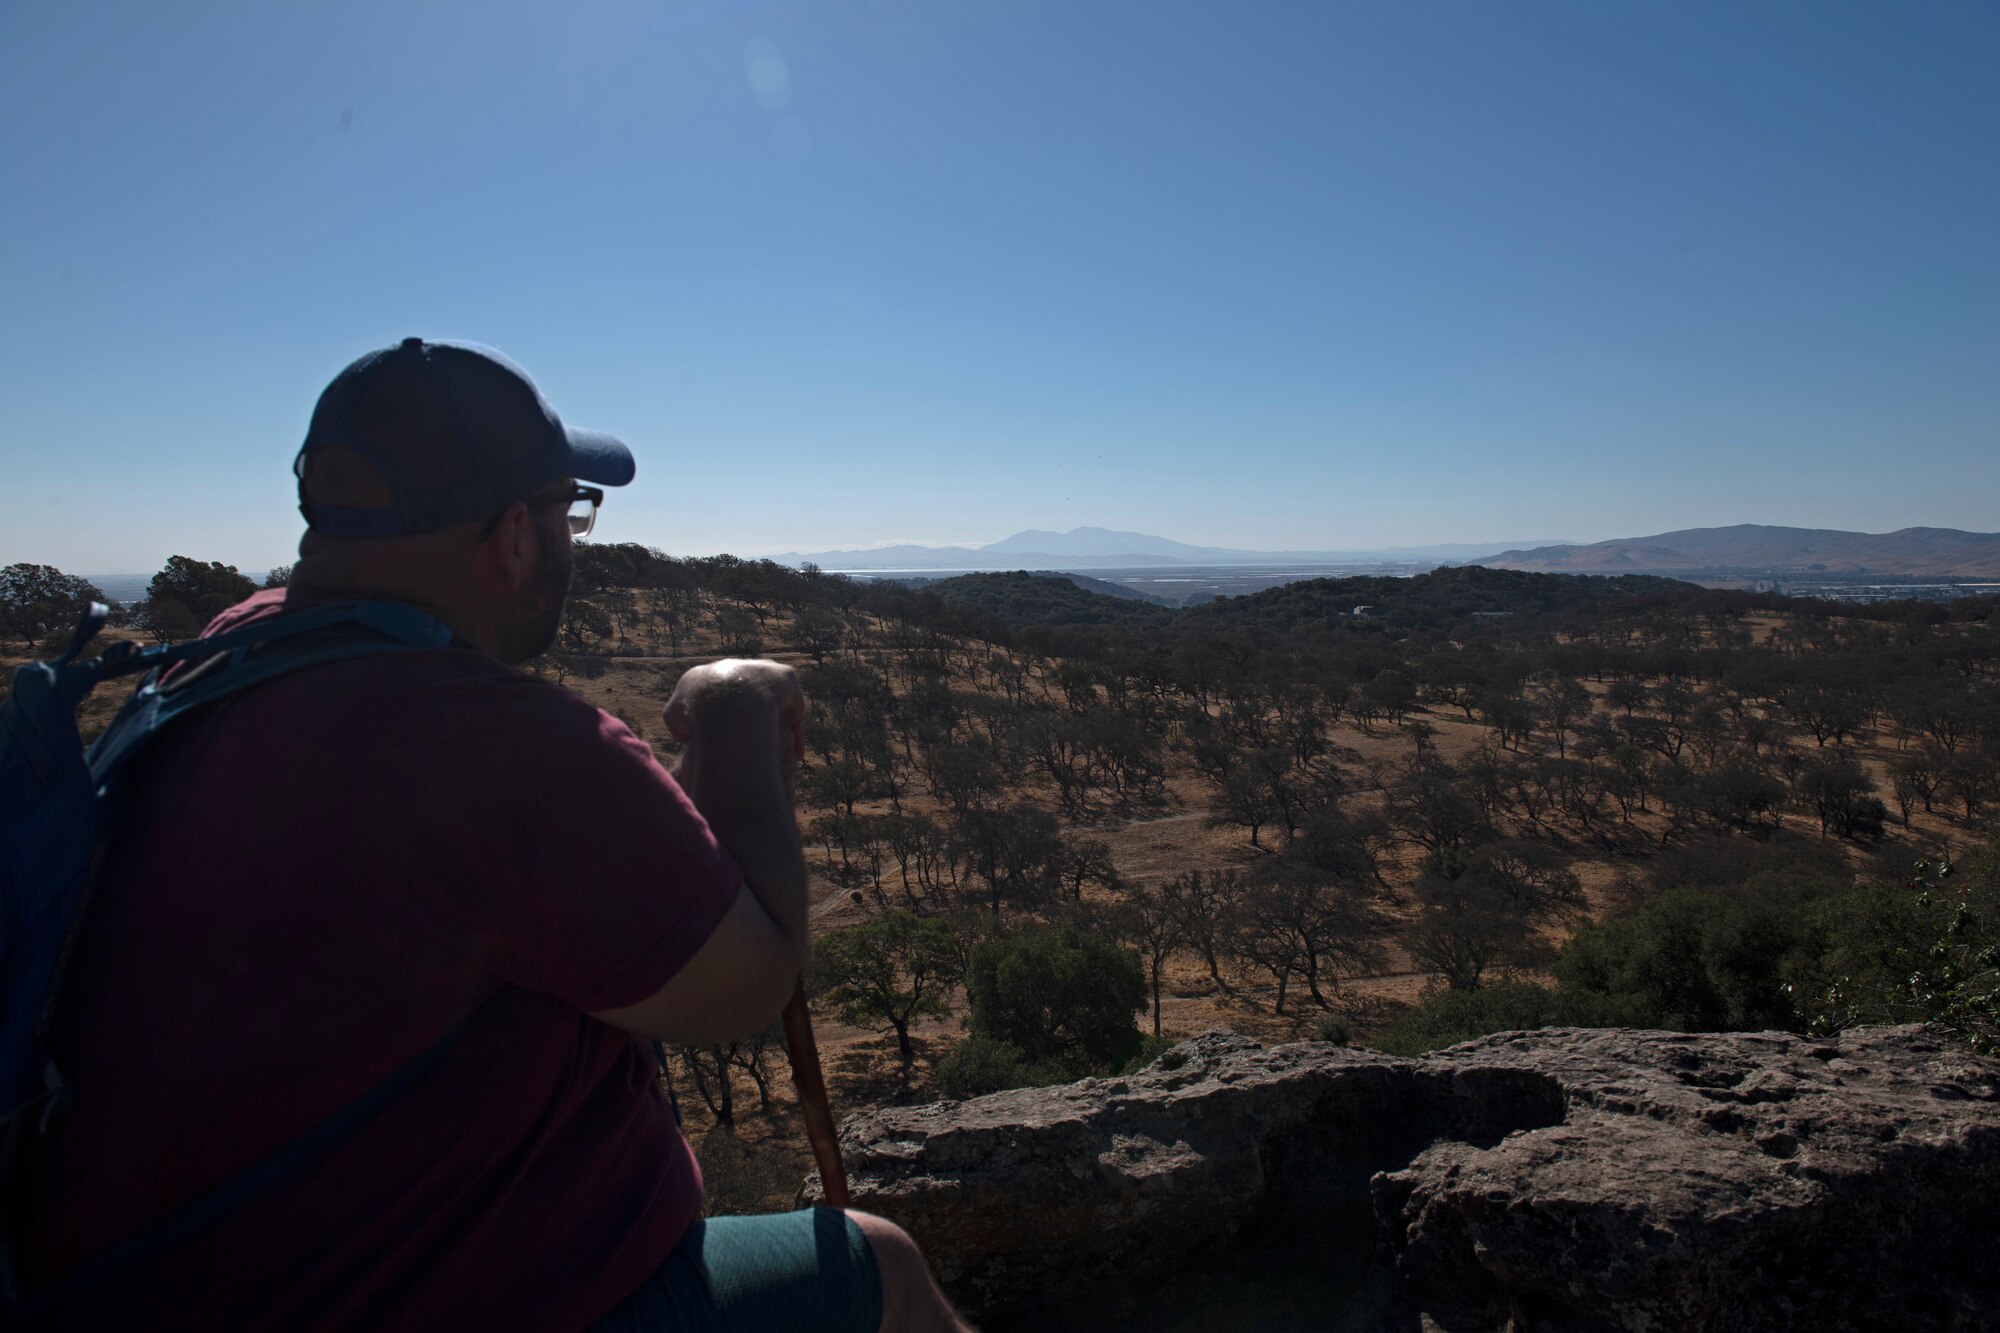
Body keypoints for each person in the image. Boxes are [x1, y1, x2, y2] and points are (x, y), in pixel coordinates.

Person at [15, 338, 971, 1332]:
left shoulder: (216, 657)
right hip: (441, 1298)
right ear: (516, 534)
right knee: (881, 1265)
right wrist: (736, 707)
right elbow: (751, 981)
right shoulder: (489, 741)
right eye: (570, 509)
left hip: (148, 1285)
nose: (571, 539)